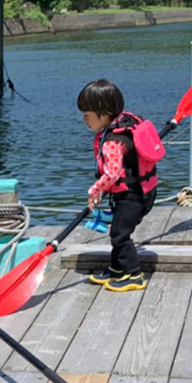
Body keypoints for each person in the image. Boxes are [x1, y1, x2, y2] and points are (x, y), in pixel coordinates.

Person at [78, 79, 157, 293]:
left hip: (132, 196)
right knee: (117, 232)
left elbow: (112, 174)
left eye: (87, 115)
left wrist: (95, 191)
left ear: (103, 114)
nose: (84, 120)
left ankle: (134, 275)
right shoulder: (126, 123)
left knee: (120, 235)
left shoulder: (112, 142)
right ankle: (116, 269)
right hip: (141, 192)